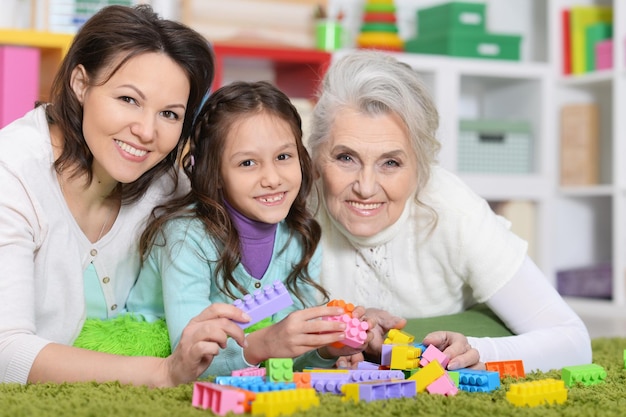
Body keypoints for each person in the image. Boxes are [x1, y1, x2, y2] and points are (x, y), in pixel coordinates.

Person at [0, 5, 251, 386]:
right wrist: (164, 372)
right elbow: (6, 353)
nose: (147, 132)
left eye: (169, 114)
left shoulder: (165, 183)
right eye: (129, 100)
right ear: (80, 83)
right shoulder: (12, 173)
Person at [307, 50, 592, 373]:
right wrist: (331, 345)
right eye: (346, 157)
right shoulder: (293, 210)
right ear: (316, 158)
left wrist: (475, 349)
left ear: (420, 167)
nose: (366, 187)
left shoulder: (451, 207)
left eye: (391, 162)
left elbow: (573, 341)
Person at [127, 80, 372, 376]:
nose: (272, 178)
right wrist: (266, 342)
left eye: (283, 157)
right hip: (151, 358)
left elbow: (286, 362)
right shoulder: (185, 238)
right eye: (247, 163)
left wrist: (325, 349)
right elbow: (189, 358)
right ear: (214, 173)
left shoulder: (300, 239)